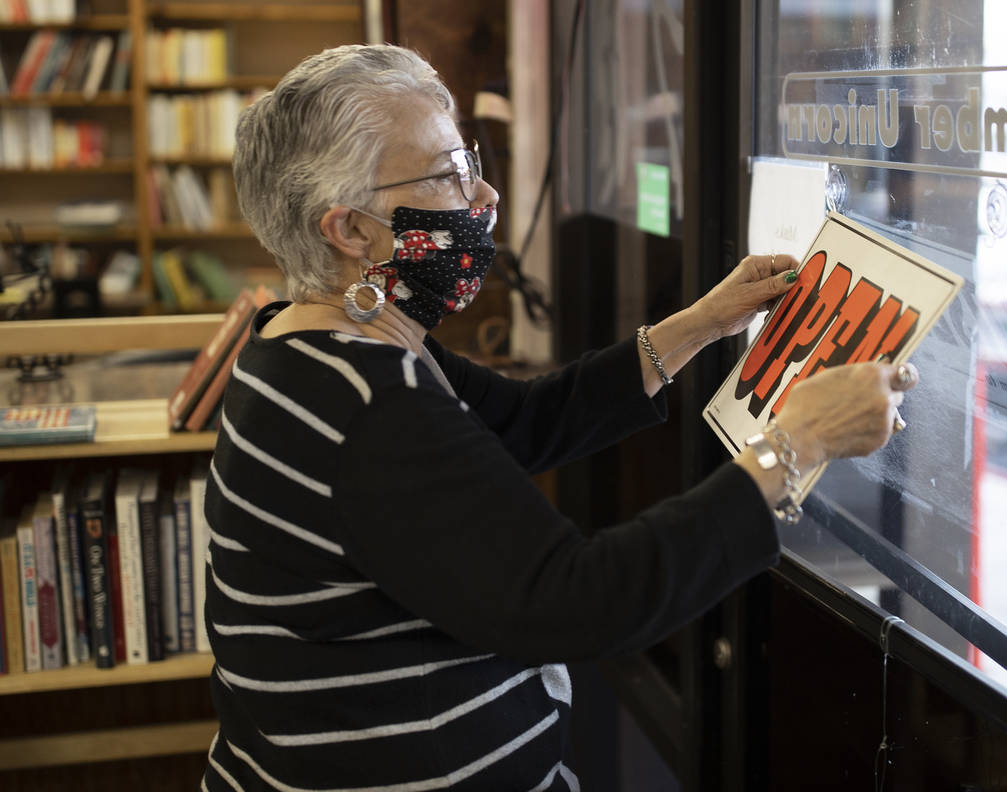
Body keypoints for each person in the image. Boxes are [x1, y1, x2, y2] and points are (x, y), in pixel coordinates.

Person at [202, 43, 917, 792]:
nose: (485, 198)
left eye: (470, 161)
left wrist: (702, 323)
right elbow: (578, 601)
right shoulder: (364, 400)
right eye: (448, 175)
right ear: (349, 231)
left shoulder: (315, 342)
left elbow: (521, 423)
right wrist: (794, 444)